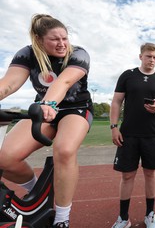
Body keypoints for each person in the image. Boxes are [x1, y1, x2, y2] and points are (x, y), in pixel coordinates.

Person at [0, 14, 93, 228]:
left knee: (64, 150)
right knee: (5, 158)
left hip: (75, 109)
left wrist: (48, 104)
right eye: (55, 39)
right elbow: (8, 84)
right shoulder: (27, 54)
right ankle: (37, 191)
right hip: (43, 108)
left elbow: (65, 81)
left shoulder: (78, 53)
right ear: (39, 39)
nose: (62, 44)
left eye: (65, 38)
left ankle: (62, 218)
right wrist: (45, 106)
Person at [110, 42, 155, 228]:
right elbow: (116, 102)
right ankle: (123, 218)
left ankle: (150, 215)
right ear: (141, 56)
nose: (152, 60)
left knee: (150, 173)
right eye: (148, 56)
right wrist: (114, 127)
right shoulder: (127, 75)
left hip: (152, 134)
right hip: (128, 134)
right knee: (127, 176)